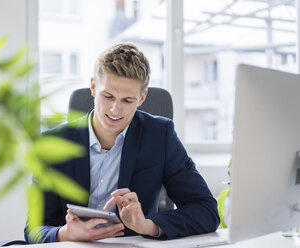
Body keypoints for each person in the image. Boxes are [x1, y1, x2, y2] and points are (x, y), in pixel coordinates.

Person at [25, 43, 219, 243]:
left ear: (142, 97)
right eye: (108, 96)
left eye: (127, 100)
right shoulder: (53, 142)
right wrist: (66, 234)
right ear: (93, 87)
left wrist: (146, 225)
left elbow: (206, 210)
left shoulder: (160, 135)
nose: (115, 110)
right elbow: (34, 229)